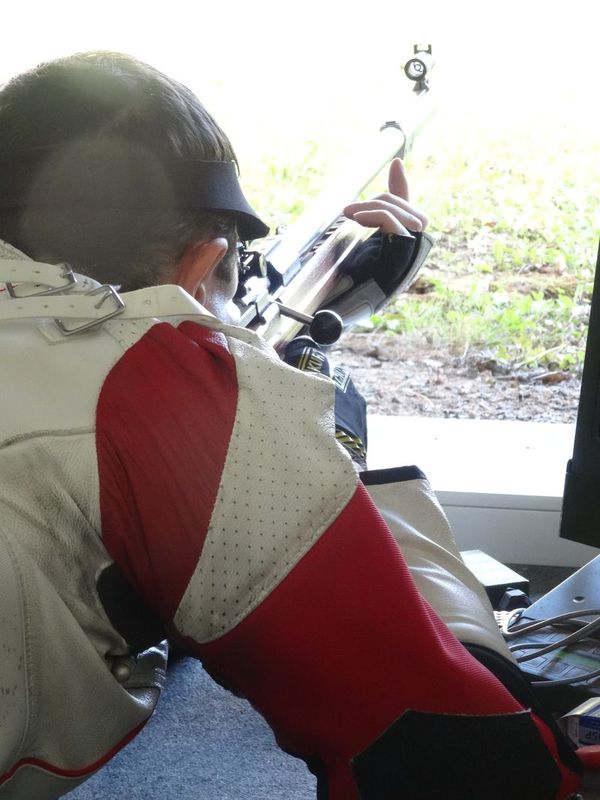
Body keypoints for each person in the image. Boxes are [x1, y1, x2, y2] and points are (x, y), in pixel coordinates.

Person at [0, 52, 583, 800]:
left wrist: (316, 314)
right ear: (201, 265)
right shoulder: (147, 389)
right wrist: (317, 436)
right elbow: (462, 753)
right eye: (234, 271)